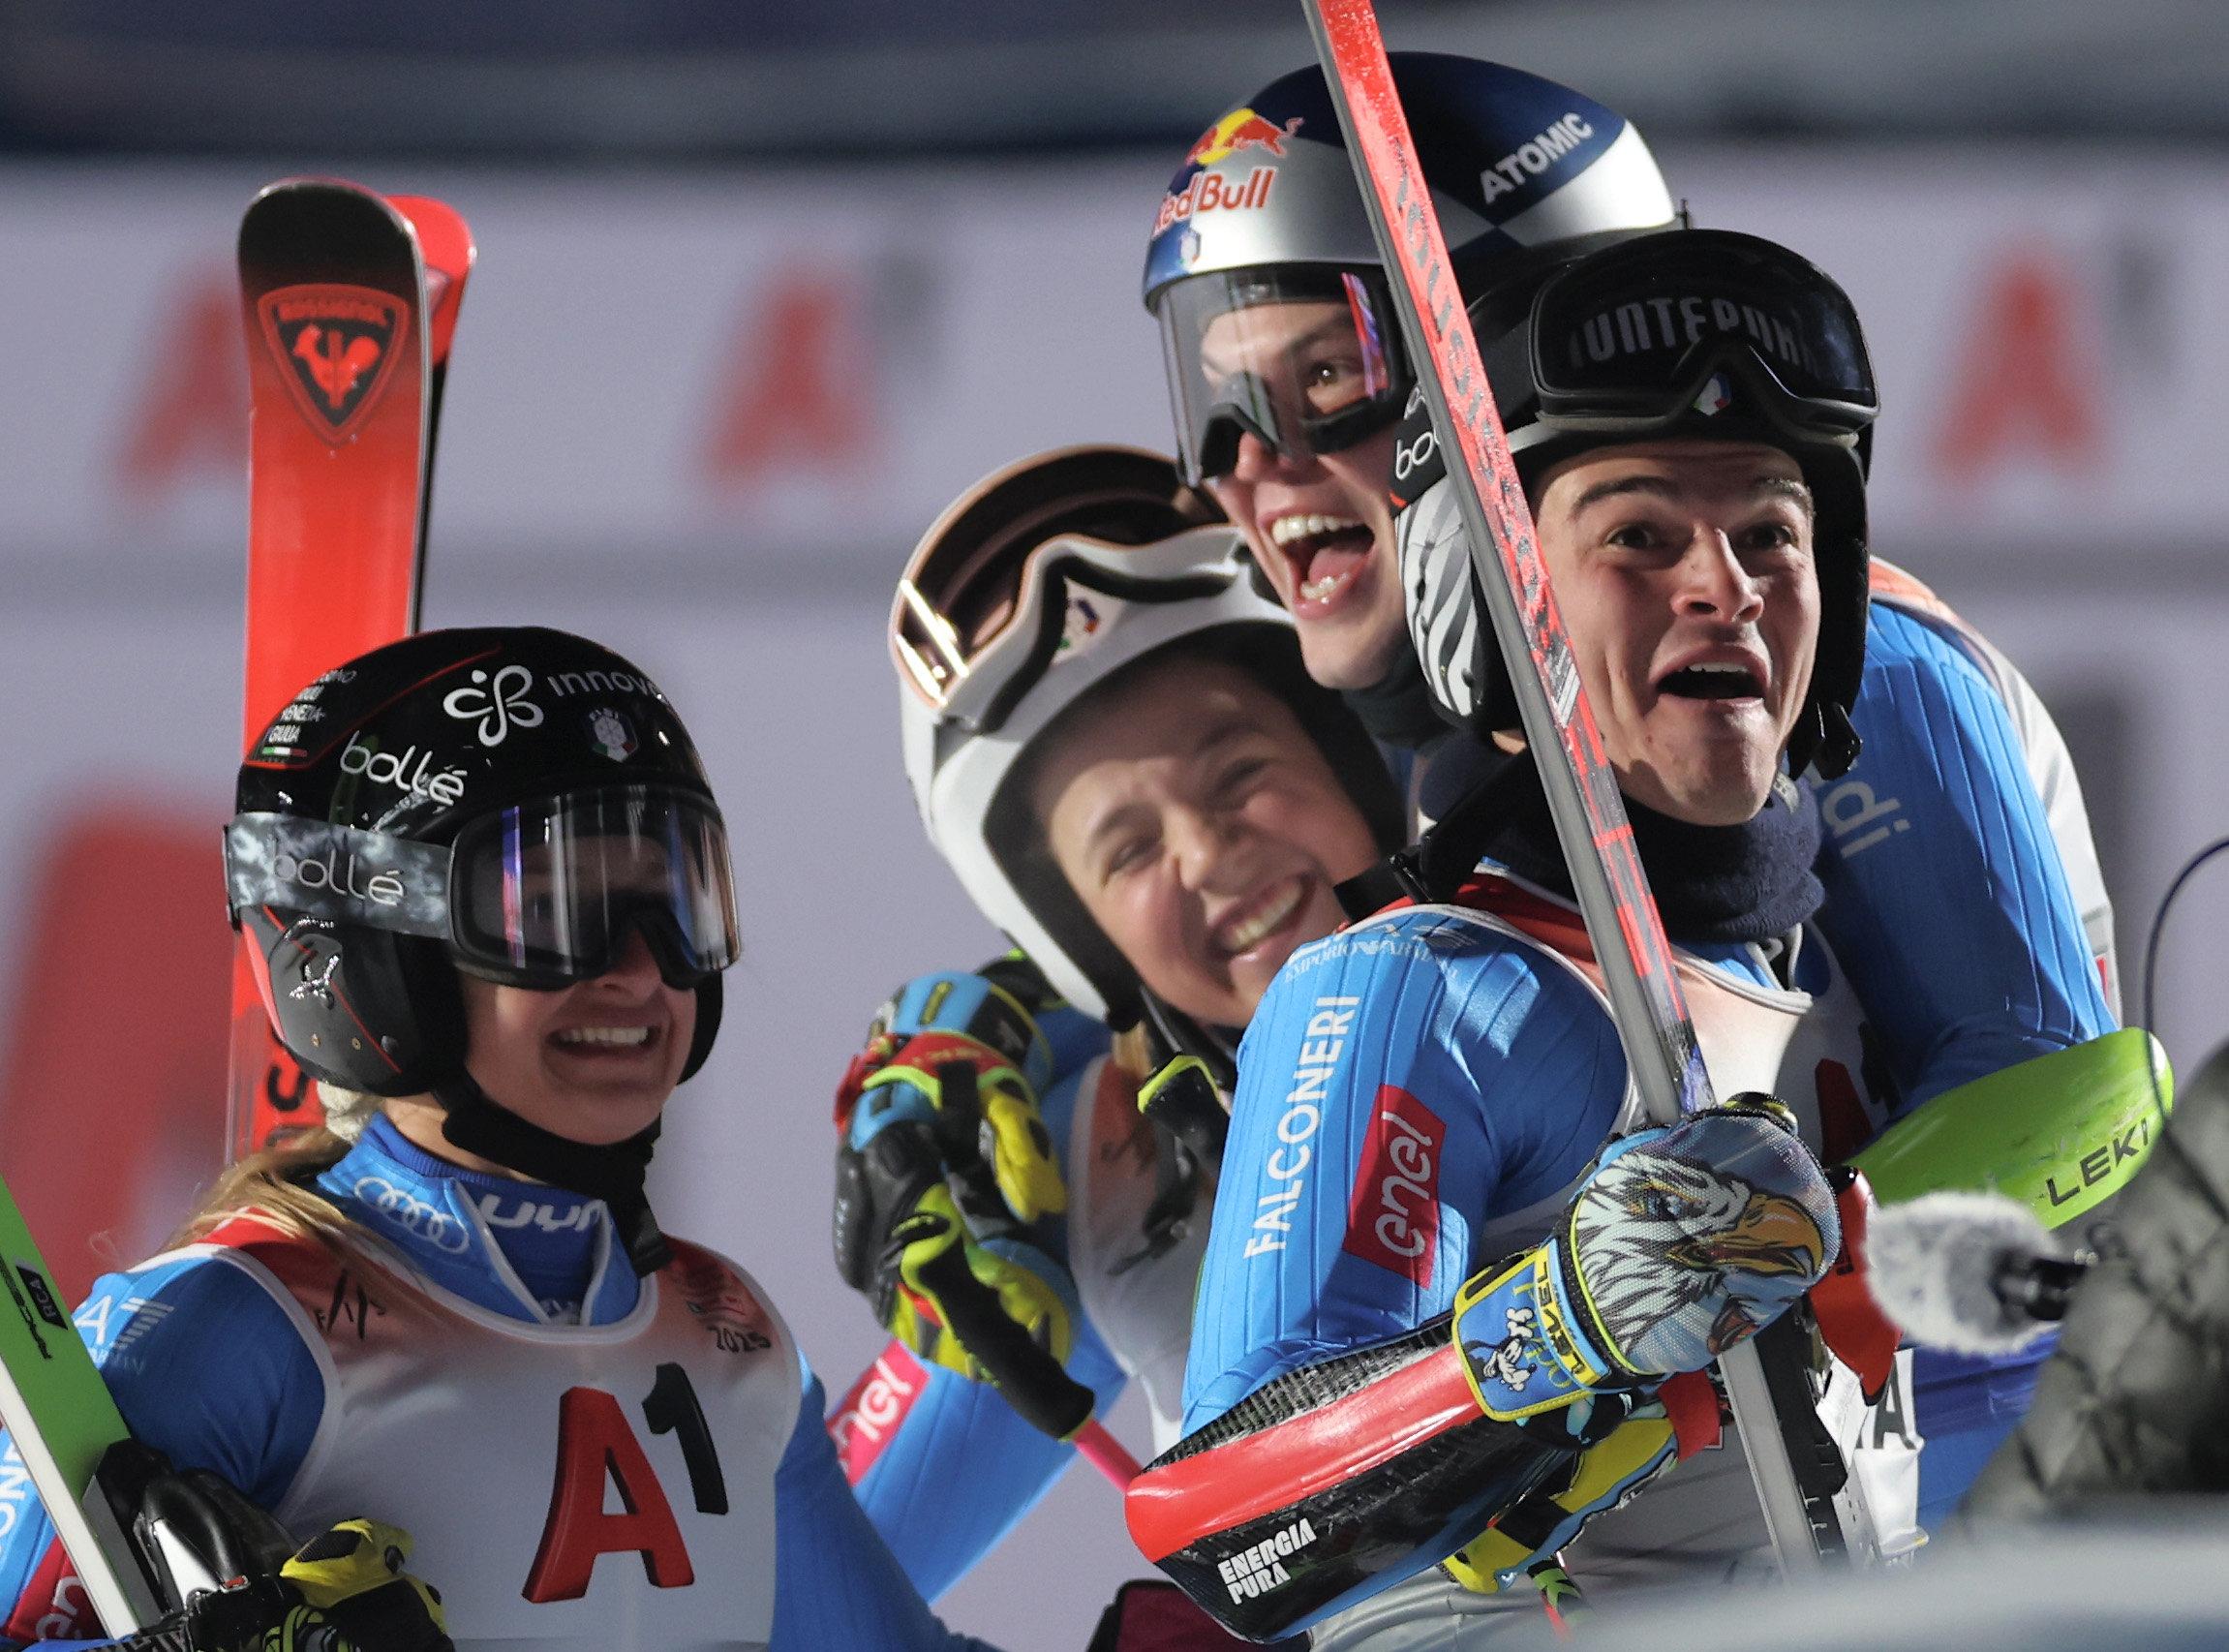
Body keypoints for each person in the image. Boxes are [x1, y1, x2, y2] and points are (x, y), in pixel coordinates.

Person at [1133, 226, 2116, 1643]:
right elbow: (1220, 1523)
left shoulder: (1810, 955)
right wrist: (1557, 1326)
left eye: (1769, 533)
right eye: (1638, 537)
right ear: (1490, 608)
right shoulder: (1416, 992)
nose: (1721, 585)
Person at [0, 627, 998, 1652]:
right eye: (558, 909)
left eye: (676, 907)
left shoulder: (725, 1334)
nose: (640, 970)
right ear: (378, 956)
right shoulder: (235, 1329)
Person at [1144, 53, 2122, 1015]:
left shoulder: (1846, 666)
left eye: (1324, 380)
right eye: (1217, 408)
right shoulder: (1416, 706)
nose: (1247, 464)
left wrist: (1790, 1182)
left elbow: (2047, 1091)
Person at [827, 447, 1402, 1624]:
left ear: (1350, 753)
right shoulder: (1074, 1164)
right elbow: (784, 1581)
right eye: (1127, 851)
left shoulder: (1591, 938)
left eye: (1241, 768)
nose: (1207, 853)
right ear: (1078, 940)